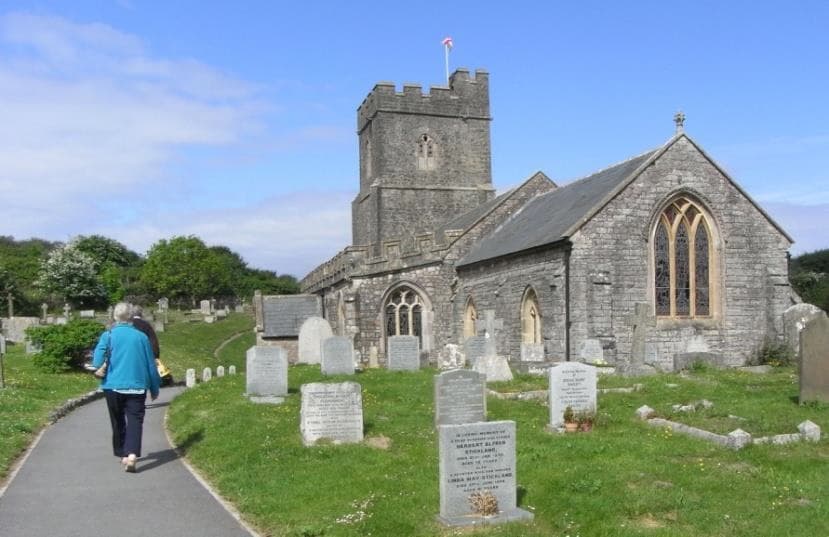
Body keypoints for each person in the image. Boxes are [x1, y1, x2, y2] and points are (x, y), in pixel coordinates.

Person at [91, 302, 160, 473]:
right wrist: (154, 387)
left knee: (118, 420)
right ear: (131, 317)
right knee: (135, 421)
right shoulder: (141, 337)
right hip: (137, 386)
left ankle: (122, 452)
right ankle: (132, 455)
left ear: (115, 317)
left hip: (113, 386)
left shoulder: (108, 336)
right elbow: (150, 365)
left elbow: (96, 362)